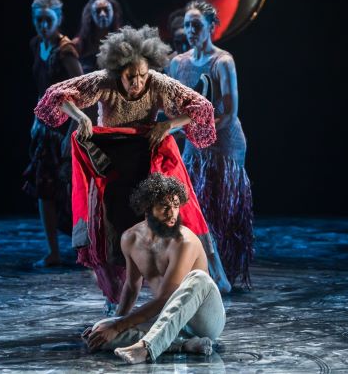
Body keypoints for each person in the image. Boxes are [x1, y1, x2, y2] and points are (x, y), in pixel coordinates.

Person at [34, 25, 231, 306]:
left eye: (141, 75)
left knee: (176, 206)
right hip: (112, 160)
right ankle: (117, 295)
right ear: (118, 72)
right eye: (130, 77)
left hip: (145, 153)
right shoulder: (103, 81)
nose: (137, 82)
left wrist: (169, 124)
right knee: (113, 223)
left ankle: (204, 273)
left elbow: (200, 108)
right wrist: (81, 117)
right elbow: (57, 96)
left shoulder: (158, 82)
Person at [82, 173, 226, 364]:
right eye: (165, 207)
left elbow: (167, 297)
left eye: (176, 206)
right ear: (147, 208)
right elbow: (132, 287)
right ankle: (184, 345)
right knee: (98, 330)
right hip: (168, 320)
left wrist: (118, 327)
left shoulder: (184, 241)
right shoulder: (130, 238)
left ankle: (147, 349)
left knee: (198, 277)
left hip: (202, 319)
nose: (172, 213)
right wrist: (115, 323)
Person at [169, 0, 254, 287]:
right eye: (187, 25)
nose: (191, 31)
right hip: (195, 144)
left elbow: (230, 112)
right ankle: (205, 268)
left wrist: (200, 132)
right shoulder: (177, 64)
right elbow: (172, 109)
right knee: (197, 207)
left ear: (211, 28)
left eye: (197, 25)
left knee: (224, 209)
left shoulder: (223, 61)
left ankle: (224, 270)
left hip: (225, 145)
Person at [22, 0, 83, 267]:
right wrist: (37, 118)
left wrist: (72, 132)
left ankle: (86, 250)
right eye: (39, 19)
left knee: (70, 190)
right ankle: (53, 251)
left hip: (63, 130)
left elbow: (82, 93)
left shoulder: (66, 51)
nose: (43, 24)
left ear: (59, 19)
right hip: (45, 129)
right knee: (43, 188)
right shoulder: (38, 45)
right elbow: (41, 89)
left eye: (49, 19)